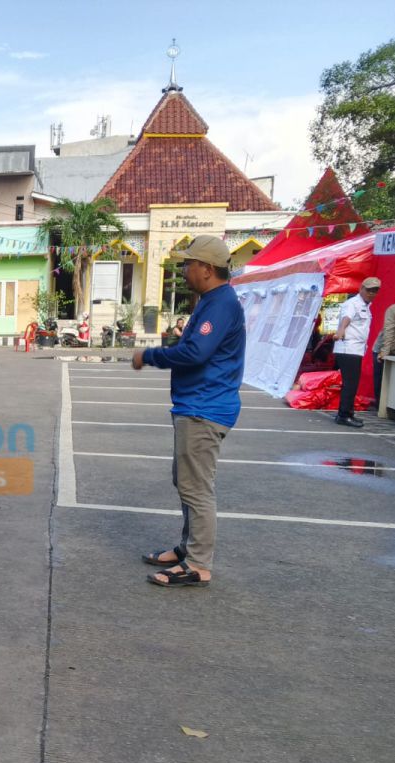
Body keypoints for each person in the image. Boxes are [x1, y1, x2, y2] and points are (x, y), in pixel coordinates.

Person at [132, 235, 244, 588]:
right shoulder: (212, 301)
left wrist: (150, 355)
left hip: (205, 407)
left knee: (196, 488)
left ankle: (197, 563)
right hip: (196, 404)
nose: (184, 270)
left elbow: (194, 352)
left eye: (189, 263)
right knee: (185, 482)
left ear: (207, 269)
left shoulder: (221, 304)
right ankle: (187, 549)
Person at [332, 277, 378, 428]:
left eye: (375, 291)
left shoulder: (366, 306)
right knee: (350, 384)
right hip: (348, 348)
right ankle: (343, 415)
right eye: (369, 290)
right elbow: (347, 318)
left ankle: (348, 413)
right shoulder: (352, 303)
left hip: (355, 349)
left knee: (352, 383)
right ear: (361, 289)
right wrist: (341, 330)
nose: (372, 293)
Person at [374, 295, 395, 403]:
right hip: (382, 348)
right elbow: (388, 331)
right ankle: (380, 406)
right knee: (381, 381)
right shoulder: (394, 309)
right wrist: (384, 352)